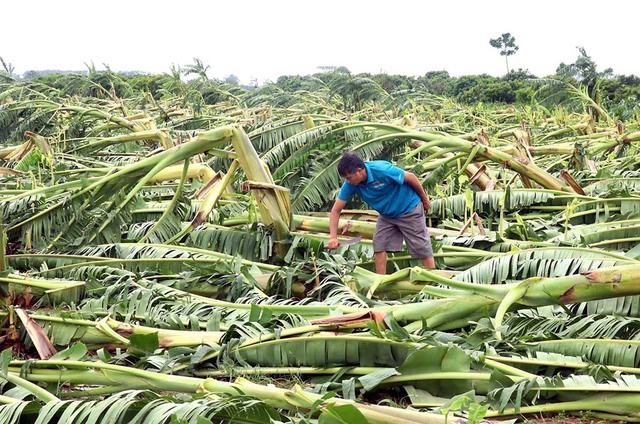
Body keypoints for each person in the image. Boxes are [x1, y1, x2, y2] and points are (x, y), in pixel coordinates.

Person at [327, 152, 435, 274]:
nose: (348, 181)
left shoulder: (382, 170)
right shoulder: (351, 184)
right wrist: (333, 237)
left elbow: (411, 177)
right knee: (379, 245)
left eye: (349, 177)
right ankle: (380, 281)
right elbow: (336, 210)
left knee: (421, 247)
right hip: (387, 215)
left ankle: (432, 280)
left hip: (408, 209)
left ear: (359, 170)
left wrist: (425, 200)